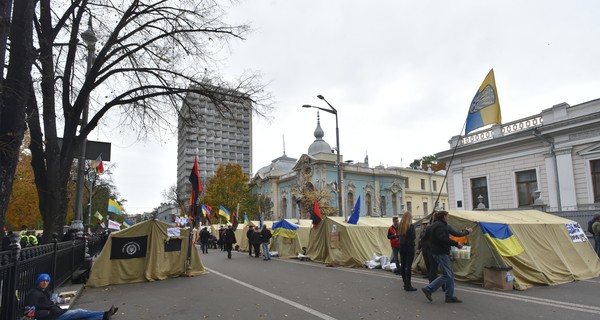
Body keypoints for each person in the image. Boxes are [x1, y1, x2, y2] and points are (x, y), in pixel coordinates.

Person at [25, 273, 118, 319]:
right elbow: (29, 312)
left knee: (80, 317)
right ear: (38, 282)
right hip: (54, 316)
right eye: (43, 281)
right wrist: (47, 313)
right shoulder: (33, 294)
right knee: (80, 311)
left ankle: (101, 317)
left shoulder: (43, 291)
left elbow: (52, 300)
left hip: (57, 312)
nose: (45, 283)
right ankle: (105, 314)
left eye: (47, 281)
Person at [421, 211, 468, 303]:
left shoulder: (435, 226)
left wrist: (466, 232)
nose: (448, 218)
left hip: (436, 251)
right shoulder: (440, 226)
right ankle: (429, 289)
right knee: (447, 275)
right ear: (443, 217)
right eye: (447, 216)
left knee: (450, 274)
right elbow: (443, 239)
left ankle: (449, 296)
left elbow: (424, 239)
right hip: (440, 252)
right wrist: (456, 244)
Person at [398, 211, 417, 291]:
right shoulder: (411, 226)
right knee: (408, 266)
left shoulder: (400, 226)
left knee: (403, 265)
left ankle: (405, 283)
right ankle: (408, 285)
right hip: (409, 247)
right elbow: (413, 237)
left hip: (401, 247)